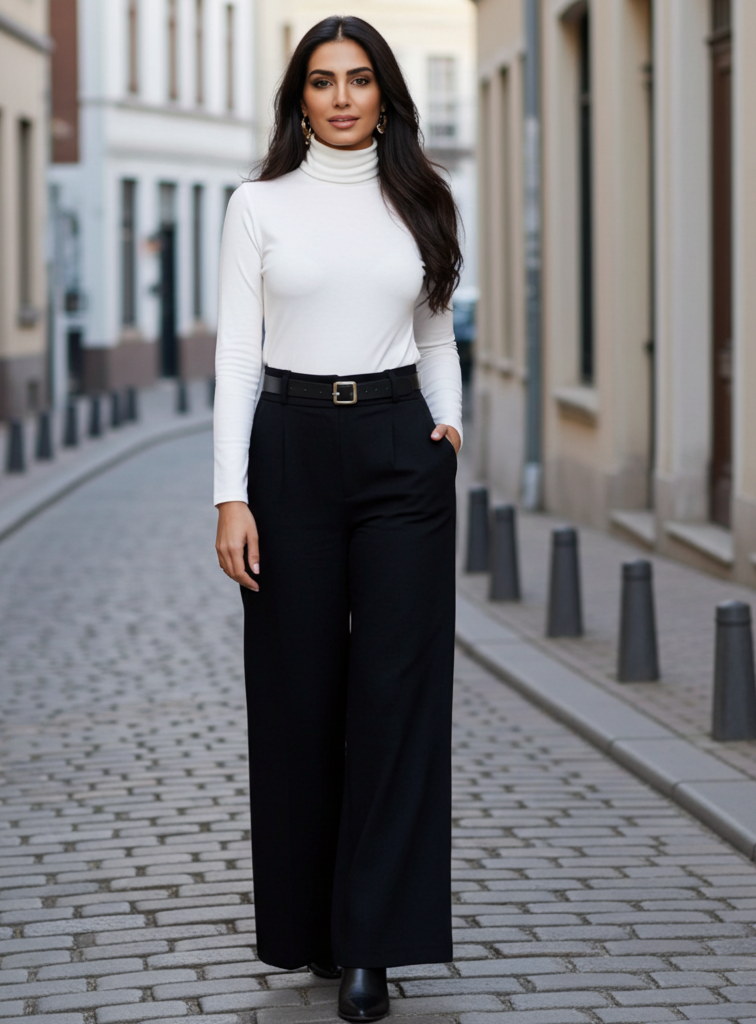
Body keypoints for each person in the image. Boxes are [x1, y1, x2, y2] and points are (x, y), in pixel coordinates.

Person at [213, 15, 463, 1022]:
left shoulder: (422, 200)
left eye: (360, 79)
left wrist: (448, 426)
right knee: (298, 694)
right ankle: (310, 928)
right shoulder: (256, 205)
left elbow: (435, 329)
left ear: (384, 94)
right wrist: (228, 494)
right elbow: (237, 355)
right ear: (300, 99)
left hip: (403, 453)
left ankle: (373, 943)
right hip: (290, 452)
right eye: (322, 82)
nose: (343, 97)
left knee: (396, 700)